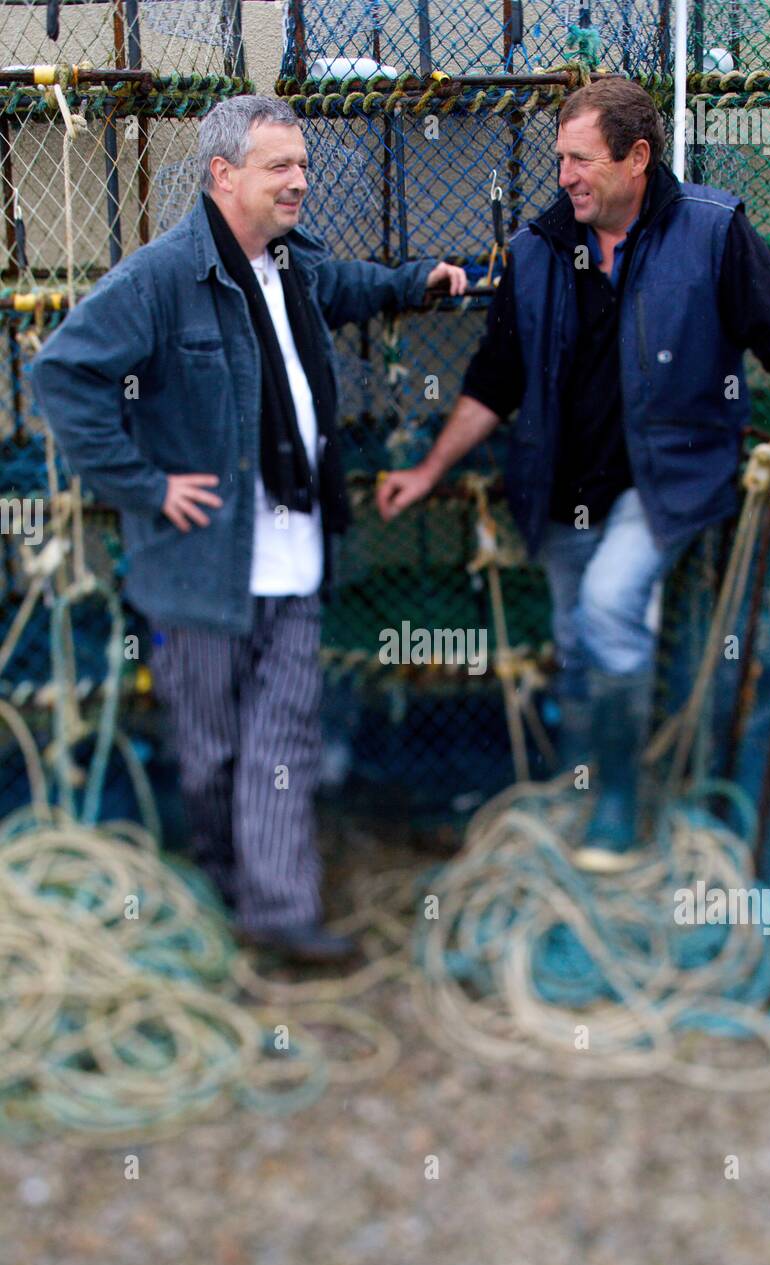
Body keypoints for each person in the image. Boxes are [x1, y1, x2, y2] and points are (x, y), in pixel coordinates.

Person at [377, 76, 770, 867]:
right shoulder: (536, 250)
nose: (564, 175)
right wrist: (430, 470)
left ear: (636, 158)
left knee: (608, 609)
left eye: (580, 159)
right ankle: (585, 788)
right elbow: (496, 381)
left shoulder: (711, 229)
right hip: (562, 487)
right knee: (576, 642)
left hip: (665, 479)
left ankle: (622, 805)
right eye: (559, 158)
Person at [32, 95, 468, 960]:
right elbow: (62, 375)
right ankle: (228, 887)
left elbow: (354, 287)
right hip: (202, 570)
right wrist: (142, 485)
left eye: (303, 165)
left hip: (296, 557)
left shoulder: (293, 265)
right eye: (282, 167)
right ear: (223, 175)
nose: (300, 181)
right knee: (213, 754)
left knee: (283, 741)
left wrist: (417, 281)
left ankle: (278, 914)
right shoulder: (160, 278)